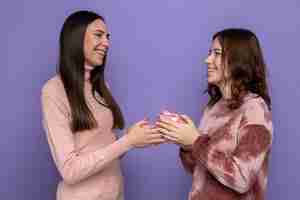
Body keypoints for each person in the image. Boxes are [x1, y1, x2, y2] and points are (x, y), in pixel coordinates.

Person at [41, 10, 164, 200]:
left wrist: (132, 138)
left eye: (107, 37)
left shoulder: (100, 87)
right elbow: (70, 170)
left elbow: (101, 150)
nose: (106, 43)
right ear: (76, 38)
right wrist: (127, 142)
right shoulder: (54, 91)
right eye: (99, 35)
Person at [157, 28, 273, 200]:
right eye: (210, 53)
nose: (207, 60)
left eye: (216, 53)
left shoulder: (255, 109)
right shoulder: (213, 107)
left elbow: (242, 179)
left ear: (238, 60)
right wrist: (184, 142)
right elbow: (198, 169)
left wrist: (195, 141)